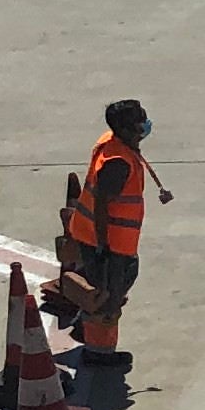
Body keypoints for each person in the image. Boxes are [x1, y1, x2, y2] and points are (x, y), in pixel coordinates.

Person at [61, 99, 170, 373]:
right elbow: (100, 205)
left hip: (101, 237)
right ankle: (98, 353)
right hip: (110, 243)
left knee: (113, 284)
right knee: (107, 297)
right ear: (125, 127)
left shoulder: (114, 143)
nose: (145, 123)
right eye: (139, 120)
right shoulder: (117, 164)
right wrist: (102, 247)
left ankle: (84, 323)